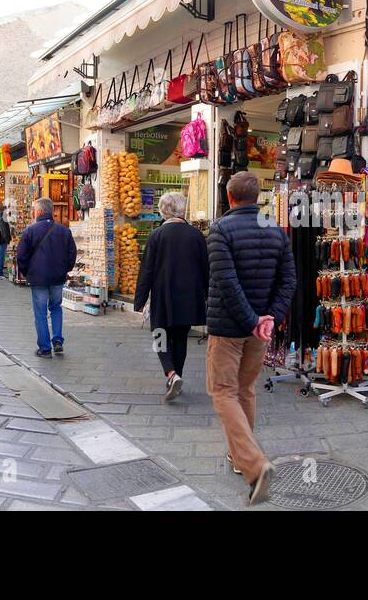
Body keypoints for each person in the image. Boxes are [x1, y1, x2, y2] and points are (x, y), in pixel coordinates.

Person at [205, 172, 295, 505]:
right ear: (257, 197)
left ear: (229, 197)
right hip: (260, 329)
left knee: (223, 392)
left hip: (229, 328)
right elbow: (289, 280)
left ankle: (254, 465)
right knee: (245, 389)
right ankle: (239, 454)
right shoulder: (277, 231)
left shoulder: (219, 230)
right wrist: (269, 318)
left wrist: (253, 319)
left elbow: (227, 285)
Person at [134, 192, 207, 403]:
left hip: (163, 294)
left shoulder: (157, 235)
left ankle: (171, 373)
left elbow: (146, 270)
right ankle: (177, 375)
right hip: (189, 296)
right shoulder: (196, 235)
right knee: (180, 337)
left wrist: (140, 300)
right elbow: (205, 267)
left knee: (159, 334)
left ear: (163, 210)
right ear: (183, 210)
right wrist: (208, 295)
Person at [15, 198, 76, 359]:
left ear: (40, 211)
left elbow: (21, 256)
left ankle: (45, 348)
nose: (34, 213)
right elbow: (72, 255)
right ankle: (57, 341)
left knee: (40, 313)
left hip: (38, 278)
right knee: (56, 307)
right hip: (57, 277)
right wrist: (65, 270)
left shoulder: (31, 231)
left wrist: (27, 272)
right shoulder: (64, 231)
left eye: (35, 210)